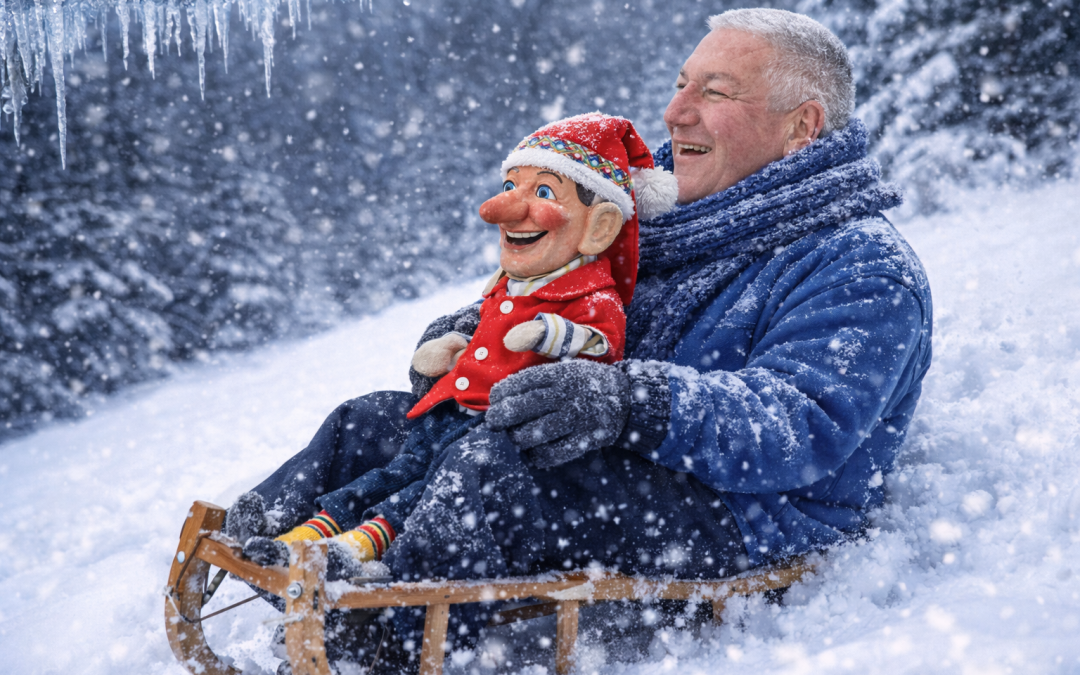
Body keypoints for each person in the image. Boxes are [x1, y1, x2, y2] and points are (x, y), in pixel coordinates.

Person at [225, 7, 933, 670]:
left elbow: (801, 424)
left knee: (490, 465)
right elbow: (557, 296)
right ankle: (271, 541)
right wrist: (476, 342)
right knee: (379, 422)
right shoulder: (659, 214)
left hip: (744, 506)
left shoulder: (859, 262)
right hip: (618, 448)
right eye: (681, 83)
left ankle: (385, 645)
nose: (674, 110)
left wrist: (632, 400)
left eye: (713, 92)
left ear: (800, 126)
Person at [228, 113, 676, 576]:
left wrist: (551, 335)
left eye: (543, 192)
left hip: (505, 442)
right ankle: (288, 520)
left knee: (424, 484)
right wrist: (450, 347)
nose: (500, 209)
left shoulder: (593, 297)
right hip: (449, 415)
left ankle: (366, 563)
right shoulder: (506, 287)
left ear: (599, 227)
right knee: (367, 430)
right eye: (509, 187)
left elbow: (600, 349)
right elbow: (484, 335)